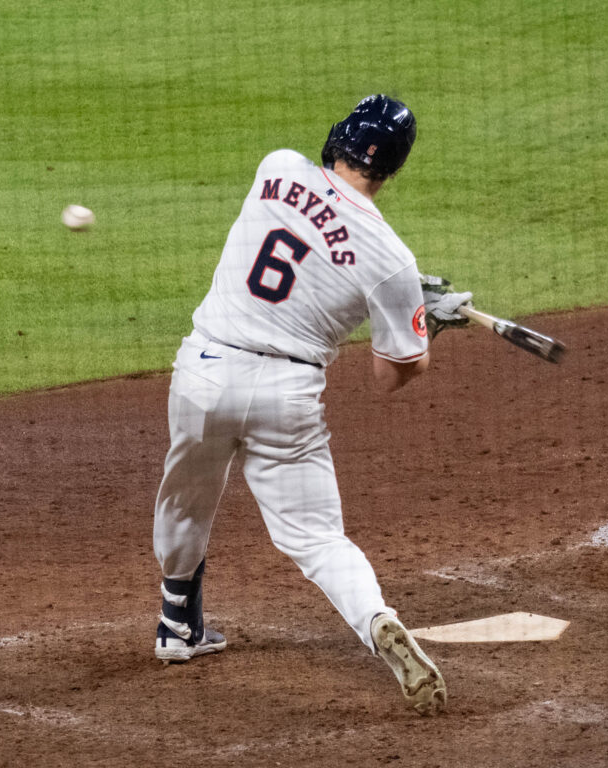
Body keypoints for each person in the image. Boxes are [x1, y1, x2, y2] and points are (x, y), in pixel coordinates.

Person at [151, 94, 472, 716]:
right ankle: (376, 619)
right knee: (318, 539)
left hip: (205, 373)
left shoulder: (277, 167)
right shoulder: (392, 259)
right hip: (286, 398)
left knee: (187, 495)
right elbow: (393, 373)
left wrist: (402, 300)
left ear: (338, 138)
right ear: (395, 168)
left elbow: (312, 242)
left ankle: (176, 623)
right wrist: (421, 322)